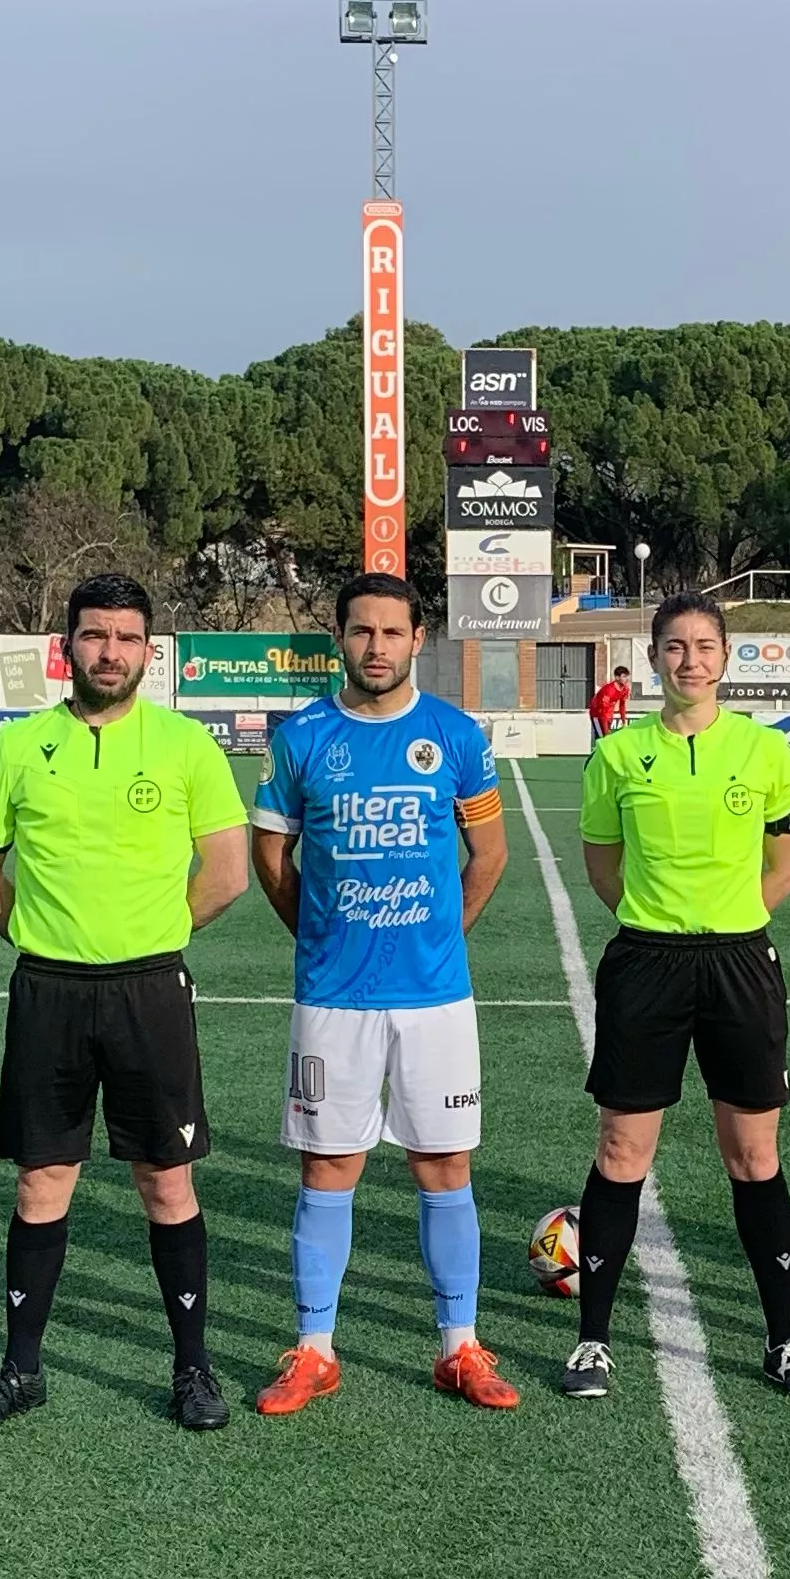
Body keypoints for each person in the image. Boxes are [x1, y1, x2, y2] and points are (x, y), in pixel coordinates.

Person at [0, 573, 250, 1431]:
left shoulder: (187, 745)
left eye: (126, 637)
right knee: (43, 1179)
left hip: (150, 988)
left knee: (166, 1179)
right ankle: (20, 1370)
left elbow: (225, 876)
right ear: (66, 646)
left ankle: (192, 1368)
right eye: (93, 635)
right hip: (48, 991)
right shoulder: (17, 745)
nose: (109, 651)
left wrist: (146, 935)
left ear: (149, 652)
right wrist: (40, 935)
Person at [251, 573, 516, 1415]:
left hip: (434, 996)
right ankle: (314, 1348)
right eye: (361, 631)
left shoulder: (455, 735)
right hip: (333, 996)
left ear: (416, 638)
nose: (376, 646)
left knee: (444, 1164)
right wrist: (321, 934)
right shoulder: (301, 738)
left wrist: (442, 934)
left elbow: (489, 855)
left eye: (391, 632)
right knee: (330, 1167)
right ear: (339, 638)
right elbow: (271, 860)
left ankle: (460, 1346)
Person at [564, 592, 790, 1401]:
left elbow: (786, 861)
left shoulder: (764, 751)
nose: (690, 660)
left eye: (704, 645)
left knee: (753, 1155)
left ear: (725, 656)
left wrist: (730, 918)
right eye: (674, 647)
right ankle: (593, 1342)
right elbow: (603, 865)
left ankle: (783, 1338)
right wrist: (662, 923)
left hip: (740, 964)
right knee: (621, 1151)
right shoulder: (617, 755)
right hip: (646, 962)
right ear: (653, 659)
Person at [588, 663, 631, 741]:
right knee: (602, 738)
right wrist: (606, 731)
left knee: (607, 738)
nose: (627, 679)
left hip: (608, 714)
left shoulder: (625, 689)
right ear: (617, 677)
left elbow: (622, 705)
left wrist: (624, 722)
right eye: (624, 676)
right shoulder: (608, 690)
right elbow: (603, 710)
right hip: (597, 714)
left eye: (627, 676)